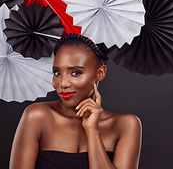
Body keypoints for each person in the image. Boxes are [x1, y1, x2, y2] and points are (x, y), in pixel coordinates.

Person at [9, 33, 142, 169]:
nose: (63, 83)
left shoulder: (126, 125)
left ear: (100, 73)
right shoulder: (37, 116)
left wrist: (92, 131)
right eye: (57, 73)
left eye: (75, 73)